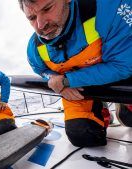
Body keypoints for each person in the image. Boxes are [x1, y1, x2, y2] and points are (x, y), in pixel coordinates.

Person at [18, 0, 132, 147]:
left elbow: (124, 66)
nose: (40, 25)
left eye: (47, 9)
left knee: (129, 119)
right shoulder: (34, 49)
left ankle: (124, 107)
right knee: (82, 135)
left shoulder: (112, 8)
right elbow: (40, 70)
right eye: (32, 18)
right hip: (80, 90)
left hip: (121, 81)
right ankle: (102, 112)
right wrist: (53, 78)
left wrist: (67, 80)